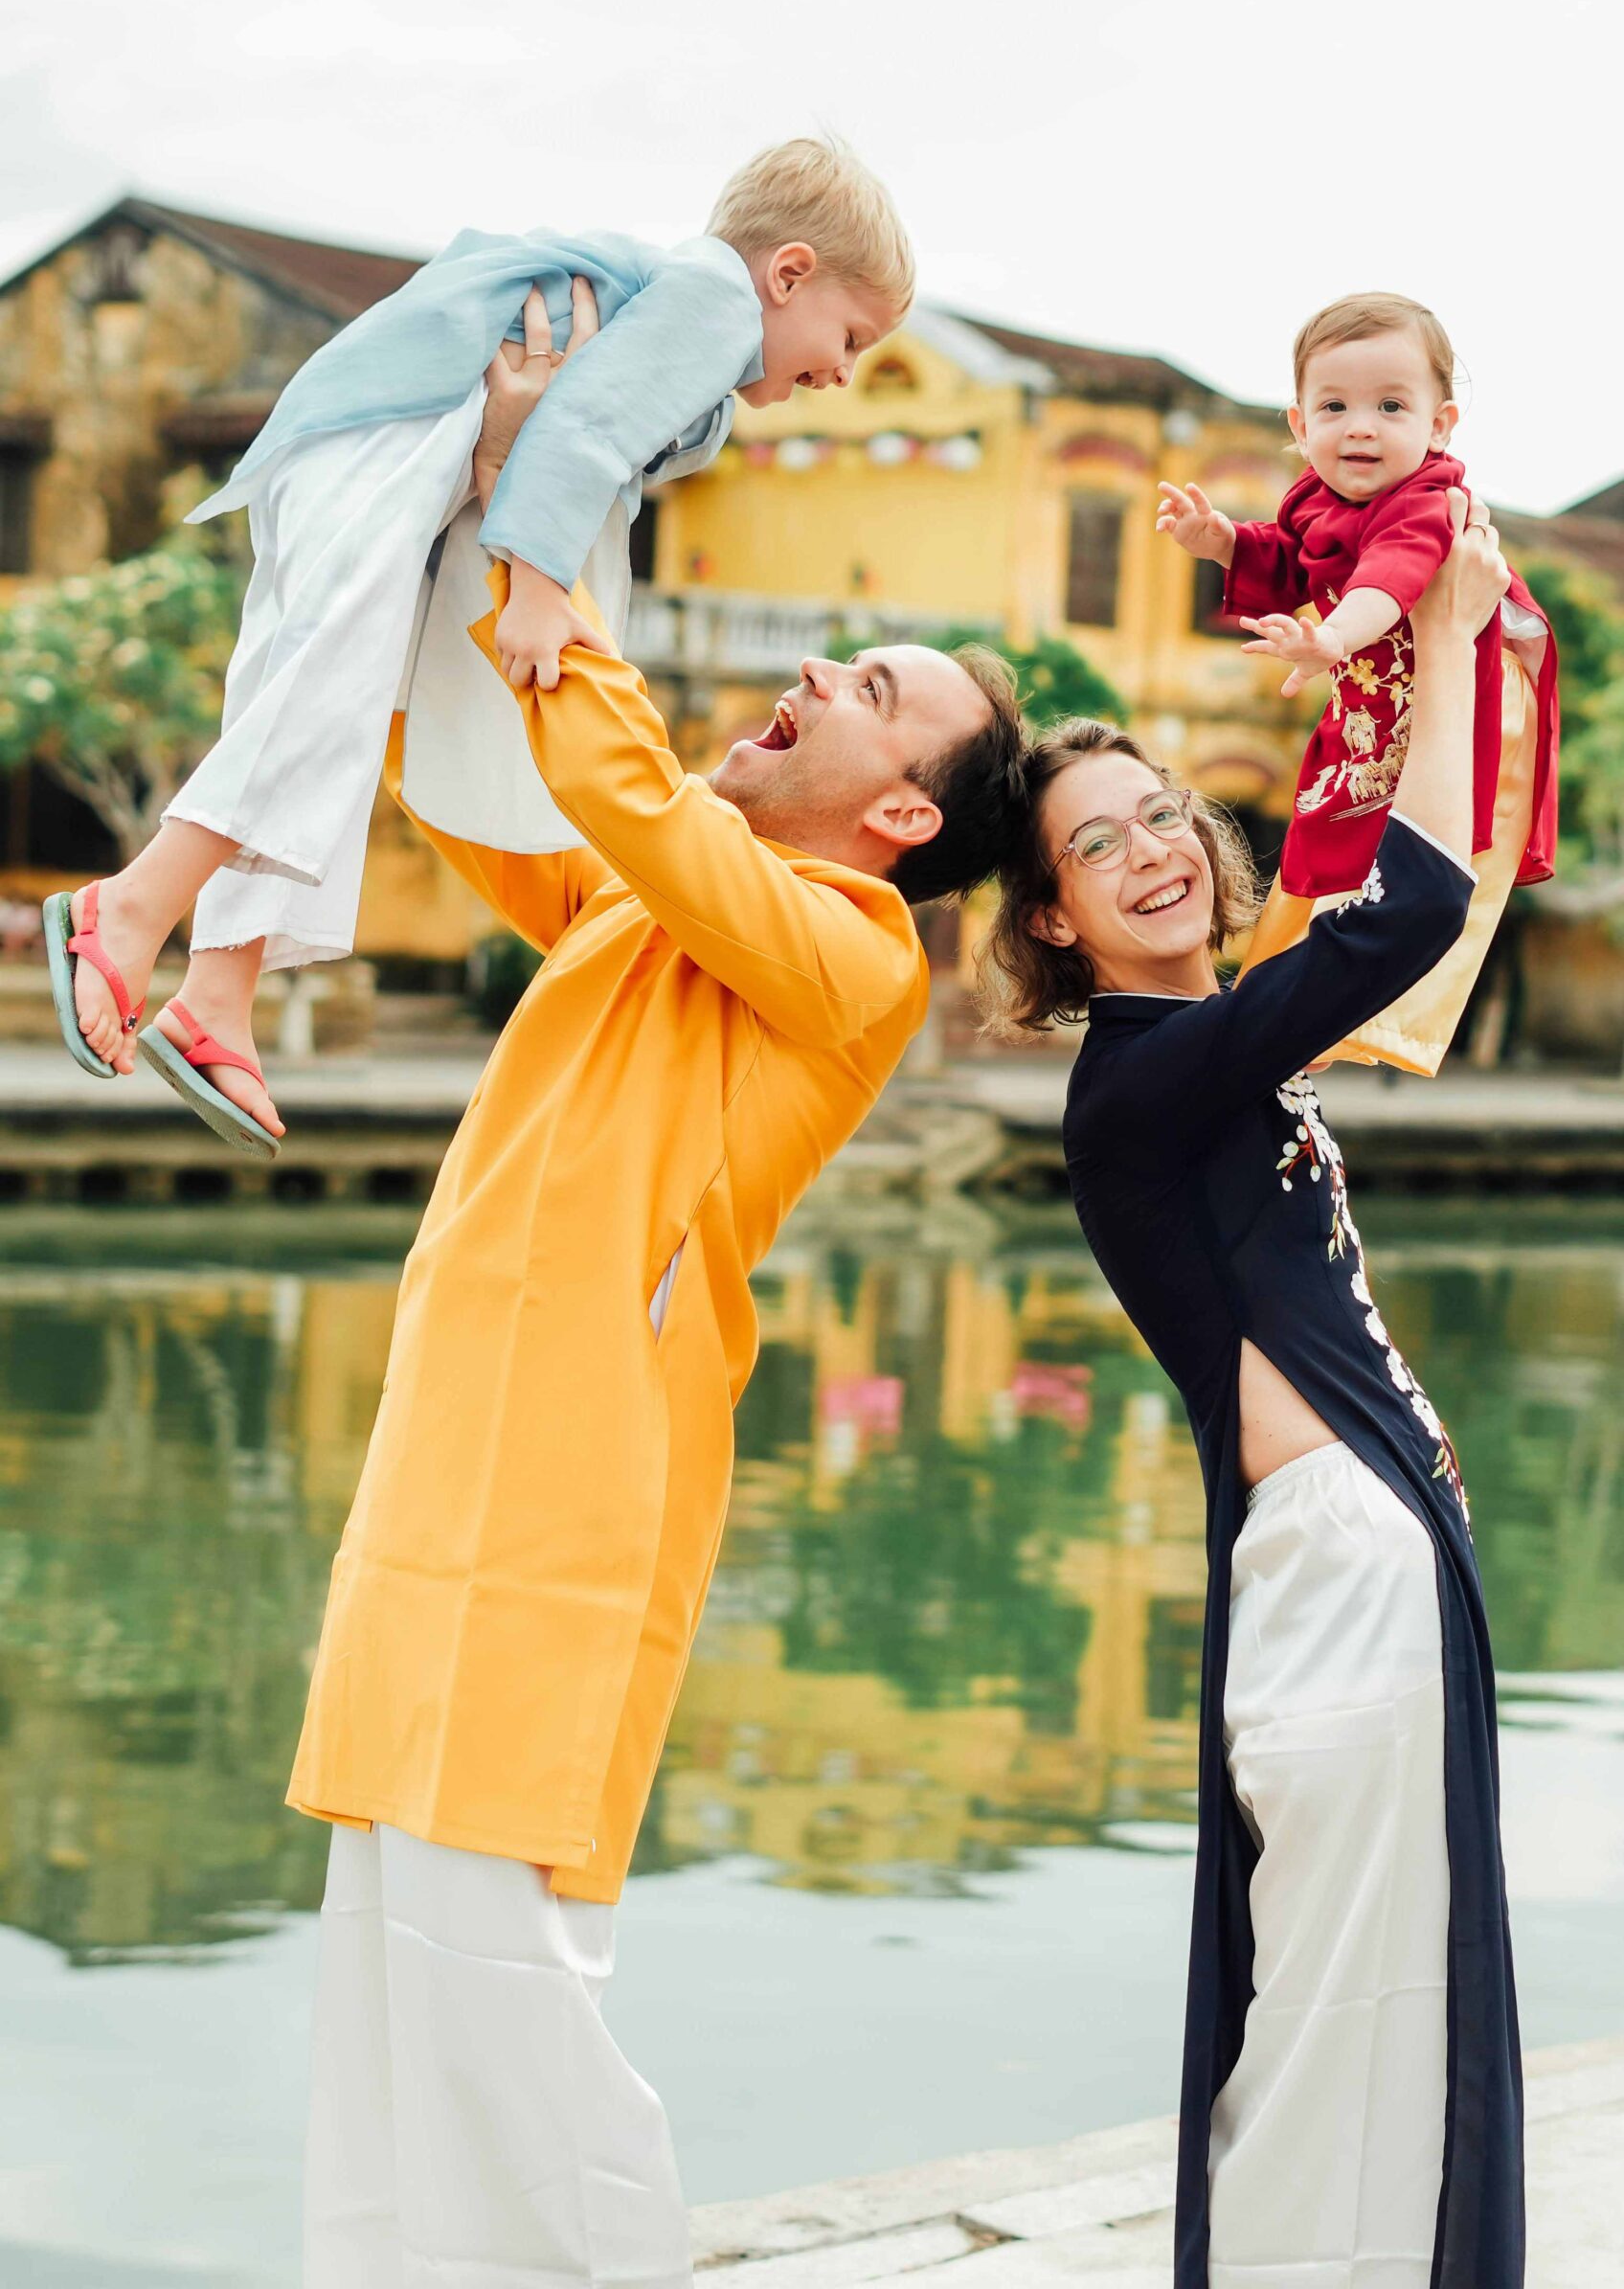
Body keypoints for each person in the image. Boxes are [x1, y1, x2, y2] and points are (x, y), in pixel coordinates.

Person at [290, 337, 1027, 2287]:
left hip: (567, 1504)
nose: (812, 679)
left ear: (894, 821)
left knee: (507, 1985)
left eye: (865, 695)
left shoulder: (849, 951)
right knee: (382, 1983)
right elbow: (477, 777)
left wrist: (555, 552)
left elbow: (617, 777)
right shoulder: (650, 901)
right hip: (438, 1481)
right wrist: (473, 510)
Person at [983, 492, 1522, 2287]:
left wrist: (1391, 643)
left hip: (1357, 1566)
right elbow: (1404, 920)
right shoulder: (1145, 1082)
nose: (1146, 853)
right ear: (1052, 923)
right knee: (1332, 2007)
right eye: (1092, 850)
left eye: (1160, 816)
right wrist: (1437, 644)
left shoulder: (1204, 1062)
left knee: (1361, 1998)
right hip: (1332, 1581)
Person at [43, 137, 913, 1150]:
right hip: (395, 430)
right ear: (787, 272)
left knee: (331, 695)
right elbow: (581, 431)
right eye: (849, 336)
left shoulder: (701, 363)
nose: (845, 373)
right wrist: (538, 590)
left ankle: (216, 992)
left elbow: (598, 433)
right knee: (328, 684)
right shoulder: (714, 302)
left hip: (402, 439)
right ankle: (132, 907)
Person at [1156, 292, 1558, 1074]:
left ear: (1439, 425)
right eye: (1335, 406)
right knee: (1328, 826)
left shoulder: (1426, 502)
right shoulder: (1317, 497)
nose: (1361, 426)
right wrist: (1222, 542)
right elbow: (1288, 557)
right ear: (1300, 426)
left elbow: (1390, 576)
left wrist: (1330, 637)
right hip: (1378, 686)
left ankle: (1369, 1020)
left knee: (1422, 853)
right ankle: (1301, 1014)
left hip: (1467, 687)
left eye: (1391, 405)